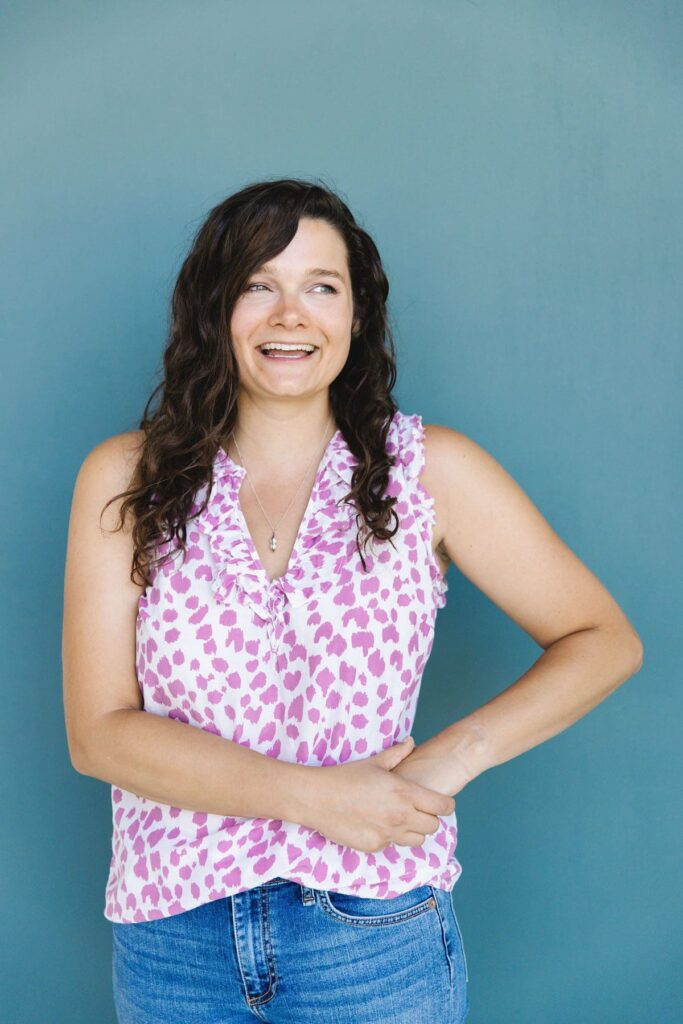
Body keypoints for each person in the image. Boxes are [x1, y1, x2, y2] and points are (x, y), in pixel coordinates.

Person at [62, 178, 643, 1024]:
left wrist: (450, 759)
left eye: (320, 288)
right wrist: (312, 796)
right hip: (172, 938)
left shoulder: (429, 471)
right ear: (213, 311)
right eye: (258, 285)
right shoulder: (126, 478)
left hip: (373, 935)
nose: (289, 314)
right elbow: (98, 733)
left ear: (357, 315)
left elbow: (603, 638)